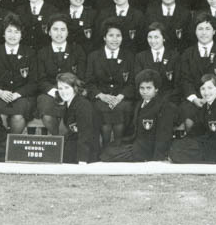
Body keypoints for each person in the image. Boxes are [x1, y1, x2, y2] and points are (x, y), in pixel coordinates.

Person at [101, 69, 177, 162]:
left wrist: (158, 159)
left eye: (149, 88)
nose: (144, 92)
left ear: (156, 89)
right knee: (108, 149)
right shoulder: (139, 104)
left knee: (108, 155)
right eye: (142, 88)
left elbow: (163, 135)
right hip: (136, 144)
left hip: (148, 149)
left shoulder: (164, 106)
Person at [85, 19, 136, 149]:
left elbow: (132, 83)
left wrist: (120, 96)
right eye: (111, 35)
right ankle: (106, 148)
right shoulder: (94, 56)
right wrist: (100, 95)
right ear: (104, 37)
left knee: (121, 108)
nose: (115, 39)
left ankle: (118, 148)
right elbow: (89, 83)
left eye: (118, 36)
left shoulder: (129, 56)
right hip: (100, 99)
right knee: (103, 109)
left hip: (122, 99)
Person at [169, 73, 216, 164]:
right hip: (206, 142)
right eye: (203, 89)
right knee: (177, 145)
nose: (206, 92)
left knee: (178, 152)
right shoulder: (206, 106)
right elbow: (196, 130)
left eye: (210, 88)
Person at [0, 14, 38, 134]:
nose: (12, 35)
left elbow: (34, 82)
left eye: (16, 32)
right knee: (1, 115)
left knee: (18, 116)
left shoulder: (30, 53)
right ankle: (2, 144)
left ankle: (12, 147)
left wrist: (18, 94)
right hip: (0, 94)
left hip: (23, 96)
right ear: (3, 34)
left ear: (21, 35)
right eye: (9, 31)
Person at [57, 71, 102, 164]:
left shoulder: (83, 105)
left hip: (87, 151)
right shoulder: (69, 103)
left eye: (66, 88)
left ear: (75, 88)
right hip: (74, 144)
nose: (63, 92)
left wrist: (82, 159)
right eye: (60, 88)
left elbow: (86, 134)